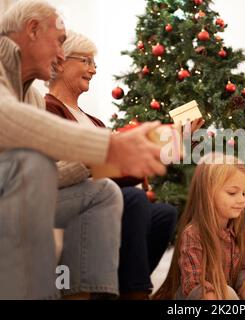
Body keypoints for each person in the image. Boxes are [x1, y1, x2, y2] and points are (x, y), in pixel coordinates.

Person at [0, 0, 165, 299]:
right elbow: (6, 118)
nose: (60, 55)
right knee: (31, 165)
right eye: (59, 42)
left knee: (103, 193)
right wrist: (106, 147)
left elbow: (50, 176)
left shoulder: (34, 98)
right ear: (33, 30)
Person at [44, 30, 179, 299]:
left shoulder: (95, 122)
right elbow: (64, 167)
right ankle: (135, 293)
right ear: (60, 62)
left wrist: (152, 152)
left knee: (165, 213)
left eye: (94, 63)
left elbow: (109, 173)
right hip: (69, 196)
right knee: (136, 200)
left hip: (103, 192)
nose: (93, 70)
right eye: (86, 61)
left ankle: (122, 286)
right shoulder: (49, 109)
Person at [153, 153, 245, 300]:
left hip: (226, 293)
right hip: (202, 296)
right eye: (232, 193)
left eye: (244, 193)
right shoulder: (193, 233)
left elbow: (243, 274)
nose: (241, 200)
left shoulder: (236, 230)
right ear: (208, 193)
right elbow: (195, 286)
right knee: (229, 293)